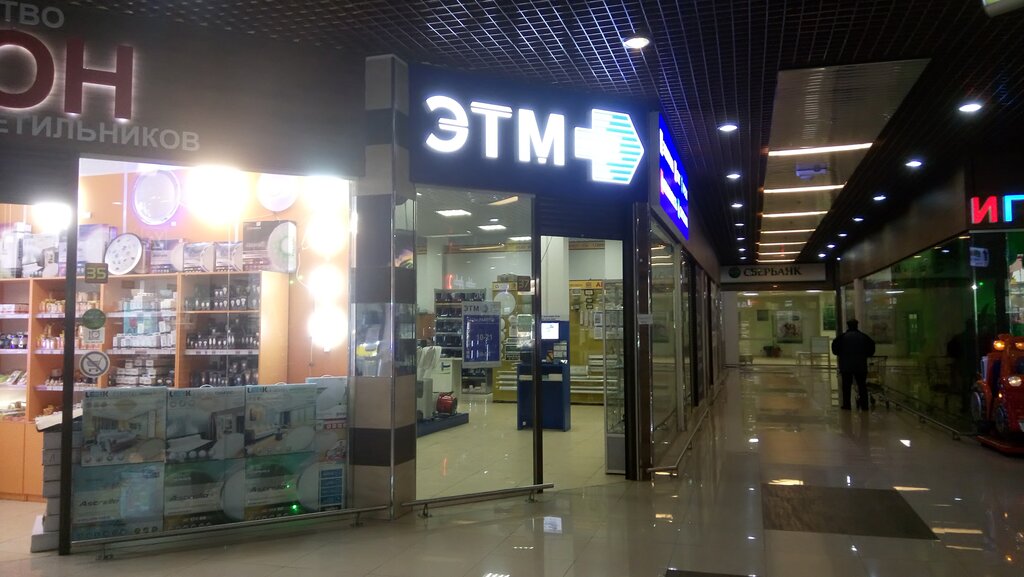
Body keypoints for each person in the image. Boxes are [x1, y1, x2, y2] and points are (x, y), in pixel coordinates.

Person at [832, 319, 876, 411]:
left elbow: (834, 349)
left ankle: (847, 405)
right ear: (857, 325)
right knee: (862, 385)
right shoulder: (863, 337)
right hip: (860, 365)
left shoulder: (842, 337)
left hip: (846, 366)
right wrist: (865, 355)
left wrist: (842, 354)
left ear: (848, 326)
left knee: (846, 386)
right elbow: (871, 348)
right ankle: (864, 406)